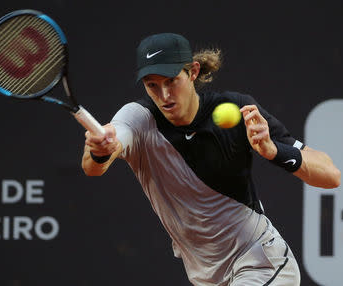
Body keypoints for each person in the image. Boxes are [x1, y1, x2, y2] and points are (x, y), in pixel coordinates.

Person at [81, 33, 340, 286]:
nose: (164, 95)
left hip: (261, 263)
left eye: (171, 81)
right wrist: (102, 148)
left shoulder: (239, 109)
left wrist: (274, 150)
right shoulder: (138, 119)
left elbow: (331, 175)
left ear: (193, 72)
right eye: (152, 85)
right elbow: (95, 164)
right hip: (206, 276)